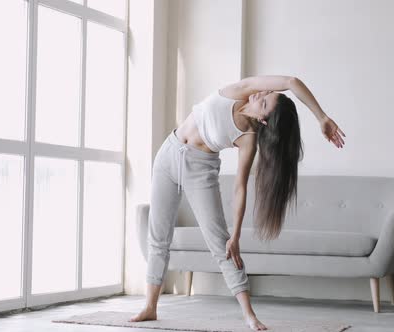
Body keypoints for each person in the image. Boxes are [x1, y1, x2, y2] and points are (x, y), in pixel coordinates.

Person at [128, 75, 346, 331]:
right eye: (266, 93)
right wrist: (321, 117)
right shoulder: (241, 91)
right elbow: (291, 81)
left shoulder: (247, 137)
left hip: (200, 169)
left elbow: (240, 186)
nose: (260, 95)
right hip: (168, 154)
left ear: (263, 120)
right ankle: (150, 307)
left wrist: (237, 235)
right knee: (158, 237)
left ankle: (249, 315)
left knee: (223, 247)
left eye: (264, 103)